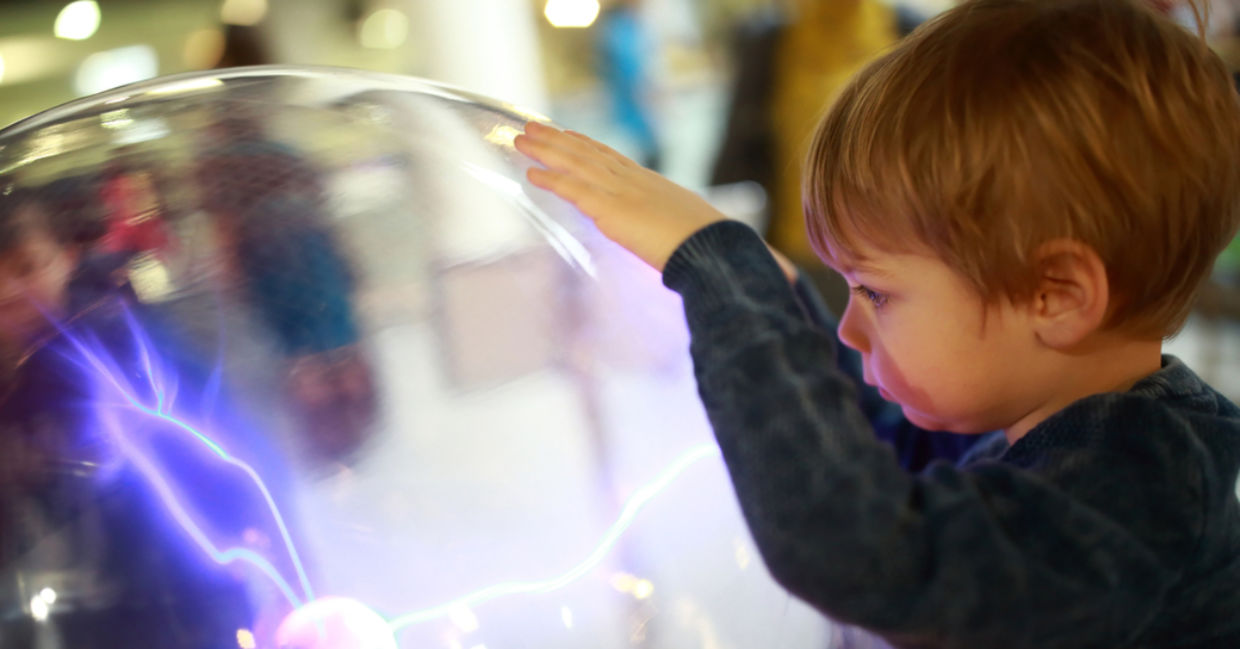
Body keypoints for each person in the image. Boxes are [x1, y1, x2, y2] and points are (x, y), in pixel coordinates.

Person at [514, 0, 1240, 646]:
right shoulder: (1037, 417)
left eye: (877, 293)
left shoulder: (1145, 482)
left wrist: (726, 280)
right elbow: (886, 449)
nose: (850, 331)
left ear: (1056, 296)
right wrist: (788, 297)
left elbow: (866, 551)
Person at [0, 181, 299, 646]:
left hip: (182, 594)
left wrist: (276, 560)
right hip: (78, 612)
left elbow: (227, 444)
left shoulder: (130, 345)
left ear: (68, 258)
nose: (8, 291)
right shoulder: (12, 383)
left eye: (26, 267)